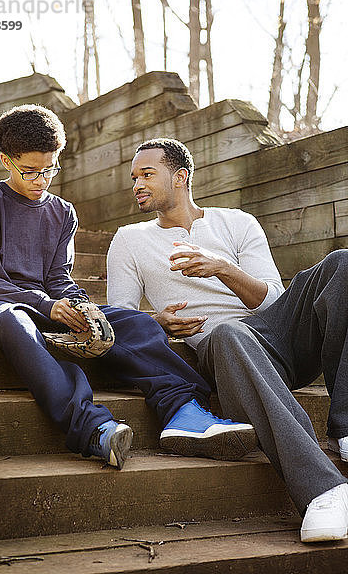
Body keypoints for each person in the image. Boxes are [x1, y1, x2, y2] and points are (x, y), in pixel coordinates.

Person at [0, 105, 256, 473]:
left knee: (137, 323)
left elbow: (58, 278)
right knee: (15, 323)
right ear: (6, 161)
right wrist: (45, 306)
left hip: (49, 304)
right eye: (29, 171)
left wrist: (81, 307)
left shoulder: (63, 212)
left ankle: (183, 411)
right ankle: (93, 428)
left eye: (50, 169)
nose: (41, 180)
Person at [106, 137, 348, 542]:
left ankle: (345, 429)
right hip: (218, 351)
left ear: (181, 177)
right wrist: (158, 322)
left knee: (342, 264)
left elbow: (272, 298)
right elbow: (121, 319)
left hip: (276, 335)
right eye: (134, 177)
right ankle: (325, 489)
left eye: (147, 174)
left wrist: (222, 268)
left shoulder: (236, 222)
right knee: (228, 332)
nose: (137, 184)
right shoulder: (129, 240)